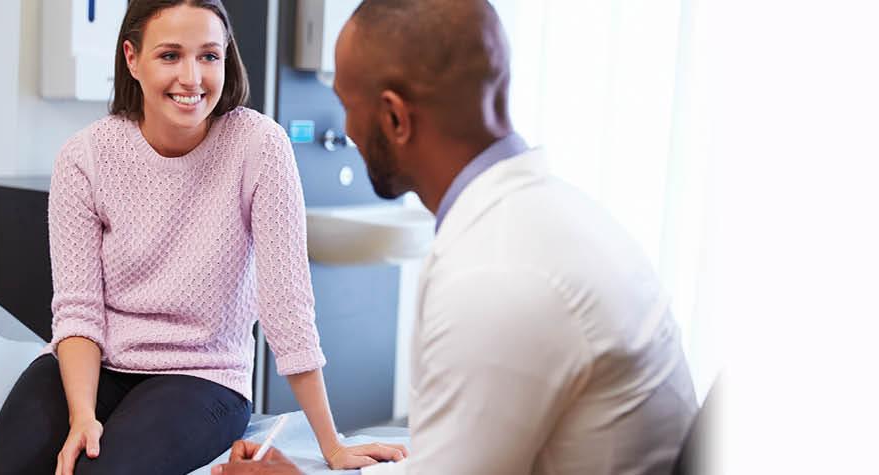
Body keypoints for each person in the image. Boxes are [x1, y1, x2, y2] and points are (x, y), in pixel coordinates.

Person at [214, 1, 698, 474]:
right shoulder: (553, 214)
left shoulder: (495, 274)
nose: (347, 130)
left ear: (395, 119)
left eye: (347, 105)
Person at [0, 1, 406, 473]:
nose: (192, 77)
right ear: (131, 58)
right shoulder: (85, 158)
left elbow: (287, 307)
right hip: (98, 364)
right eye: (169, 56)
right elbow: (78, 309)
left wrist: (332, 443)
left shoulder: (259, 146)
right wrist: (82, 416)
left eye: (208, 56)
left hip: (204, 375)